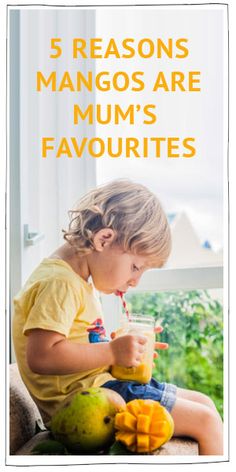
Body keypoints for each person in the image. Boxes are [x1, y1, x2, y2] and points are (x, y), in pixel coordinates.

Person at [12, 179, 223, 455]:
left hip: (103, 388)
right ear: (103, 239)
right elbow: (42, 356)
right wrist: (111, 352)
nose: (135, 281)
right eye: (136, 267)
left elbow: (77, 350)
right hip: (90, 405)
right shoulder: (60, 283)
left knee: (205, 402)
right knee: (206, 421)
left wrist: (124, 356)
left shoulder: (77, 282)